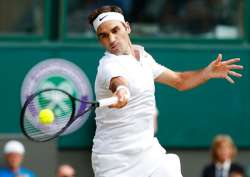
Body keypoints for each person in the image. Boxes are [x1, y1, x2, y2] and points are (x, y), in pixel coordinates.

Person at [88, 5, 243, 177]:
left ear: (127, 27)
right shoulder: (108, 65)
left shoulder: (143, 58)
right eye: (104, 35)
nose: (111, 39)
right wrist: (122, 90)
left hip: (148, 153)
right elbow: (118, 81)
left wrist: (207, 73)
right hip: (115, 161)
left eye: (115, 30)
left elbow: (179, 81)